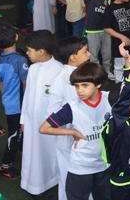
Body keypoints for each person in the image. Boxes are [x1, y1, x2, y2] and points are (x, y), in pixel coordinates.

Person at [41, 62, 111, 200]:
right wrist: (72, 132)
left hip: (104, 165)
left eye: (84, 85)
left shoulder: (109, 98)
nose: (79, 90)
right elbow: (44, 128)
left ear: (98, 84)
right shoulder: (71, 107)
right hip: (80, 167)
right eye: (77, 86)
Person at [20, 31, 63, 197]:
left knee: (49, 155)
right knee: (32, 154)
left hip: (49, 125)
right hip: (31, 122)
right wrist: (24, 119)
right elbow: (27, 95)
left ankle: (50, 181)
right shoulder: (32, 69)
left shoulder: (59, 71)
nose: (27, 53)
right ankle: (32, 182)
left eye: (30, 50)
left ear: (42, 51)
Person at [102, 45, 130, 200]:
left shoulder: (121, 119)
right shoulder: (119, 123)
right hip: (125, 184)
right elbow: (124, 97)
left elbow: (122, 92)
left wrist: (128, 64)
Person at [49, 36, 90, 200]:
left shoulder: (77, 73)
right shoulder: (65, 79)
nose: (89, 54)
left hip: (79, 135)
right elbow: (53, 115)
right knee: (70, 175)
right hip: (70, 137)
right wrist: (71, 132)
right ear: (72, 56)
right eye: (85, 51)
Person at [0, 24, 28, 179]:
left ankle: (20, 146)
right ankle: (6, 165)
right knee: (14, 134)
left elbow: (1, 85)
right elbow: (26, 83)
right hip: (19, 105)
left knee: (17, 131)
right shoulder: (20, 60)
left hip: (9, 103)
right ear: (16, 38)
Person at [83, 0, 113, 80]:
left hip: (106, 30)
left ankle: (107, 71)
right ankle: (95, 74)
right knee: (94, 55)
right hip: (92, 31)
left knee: (107, 54)